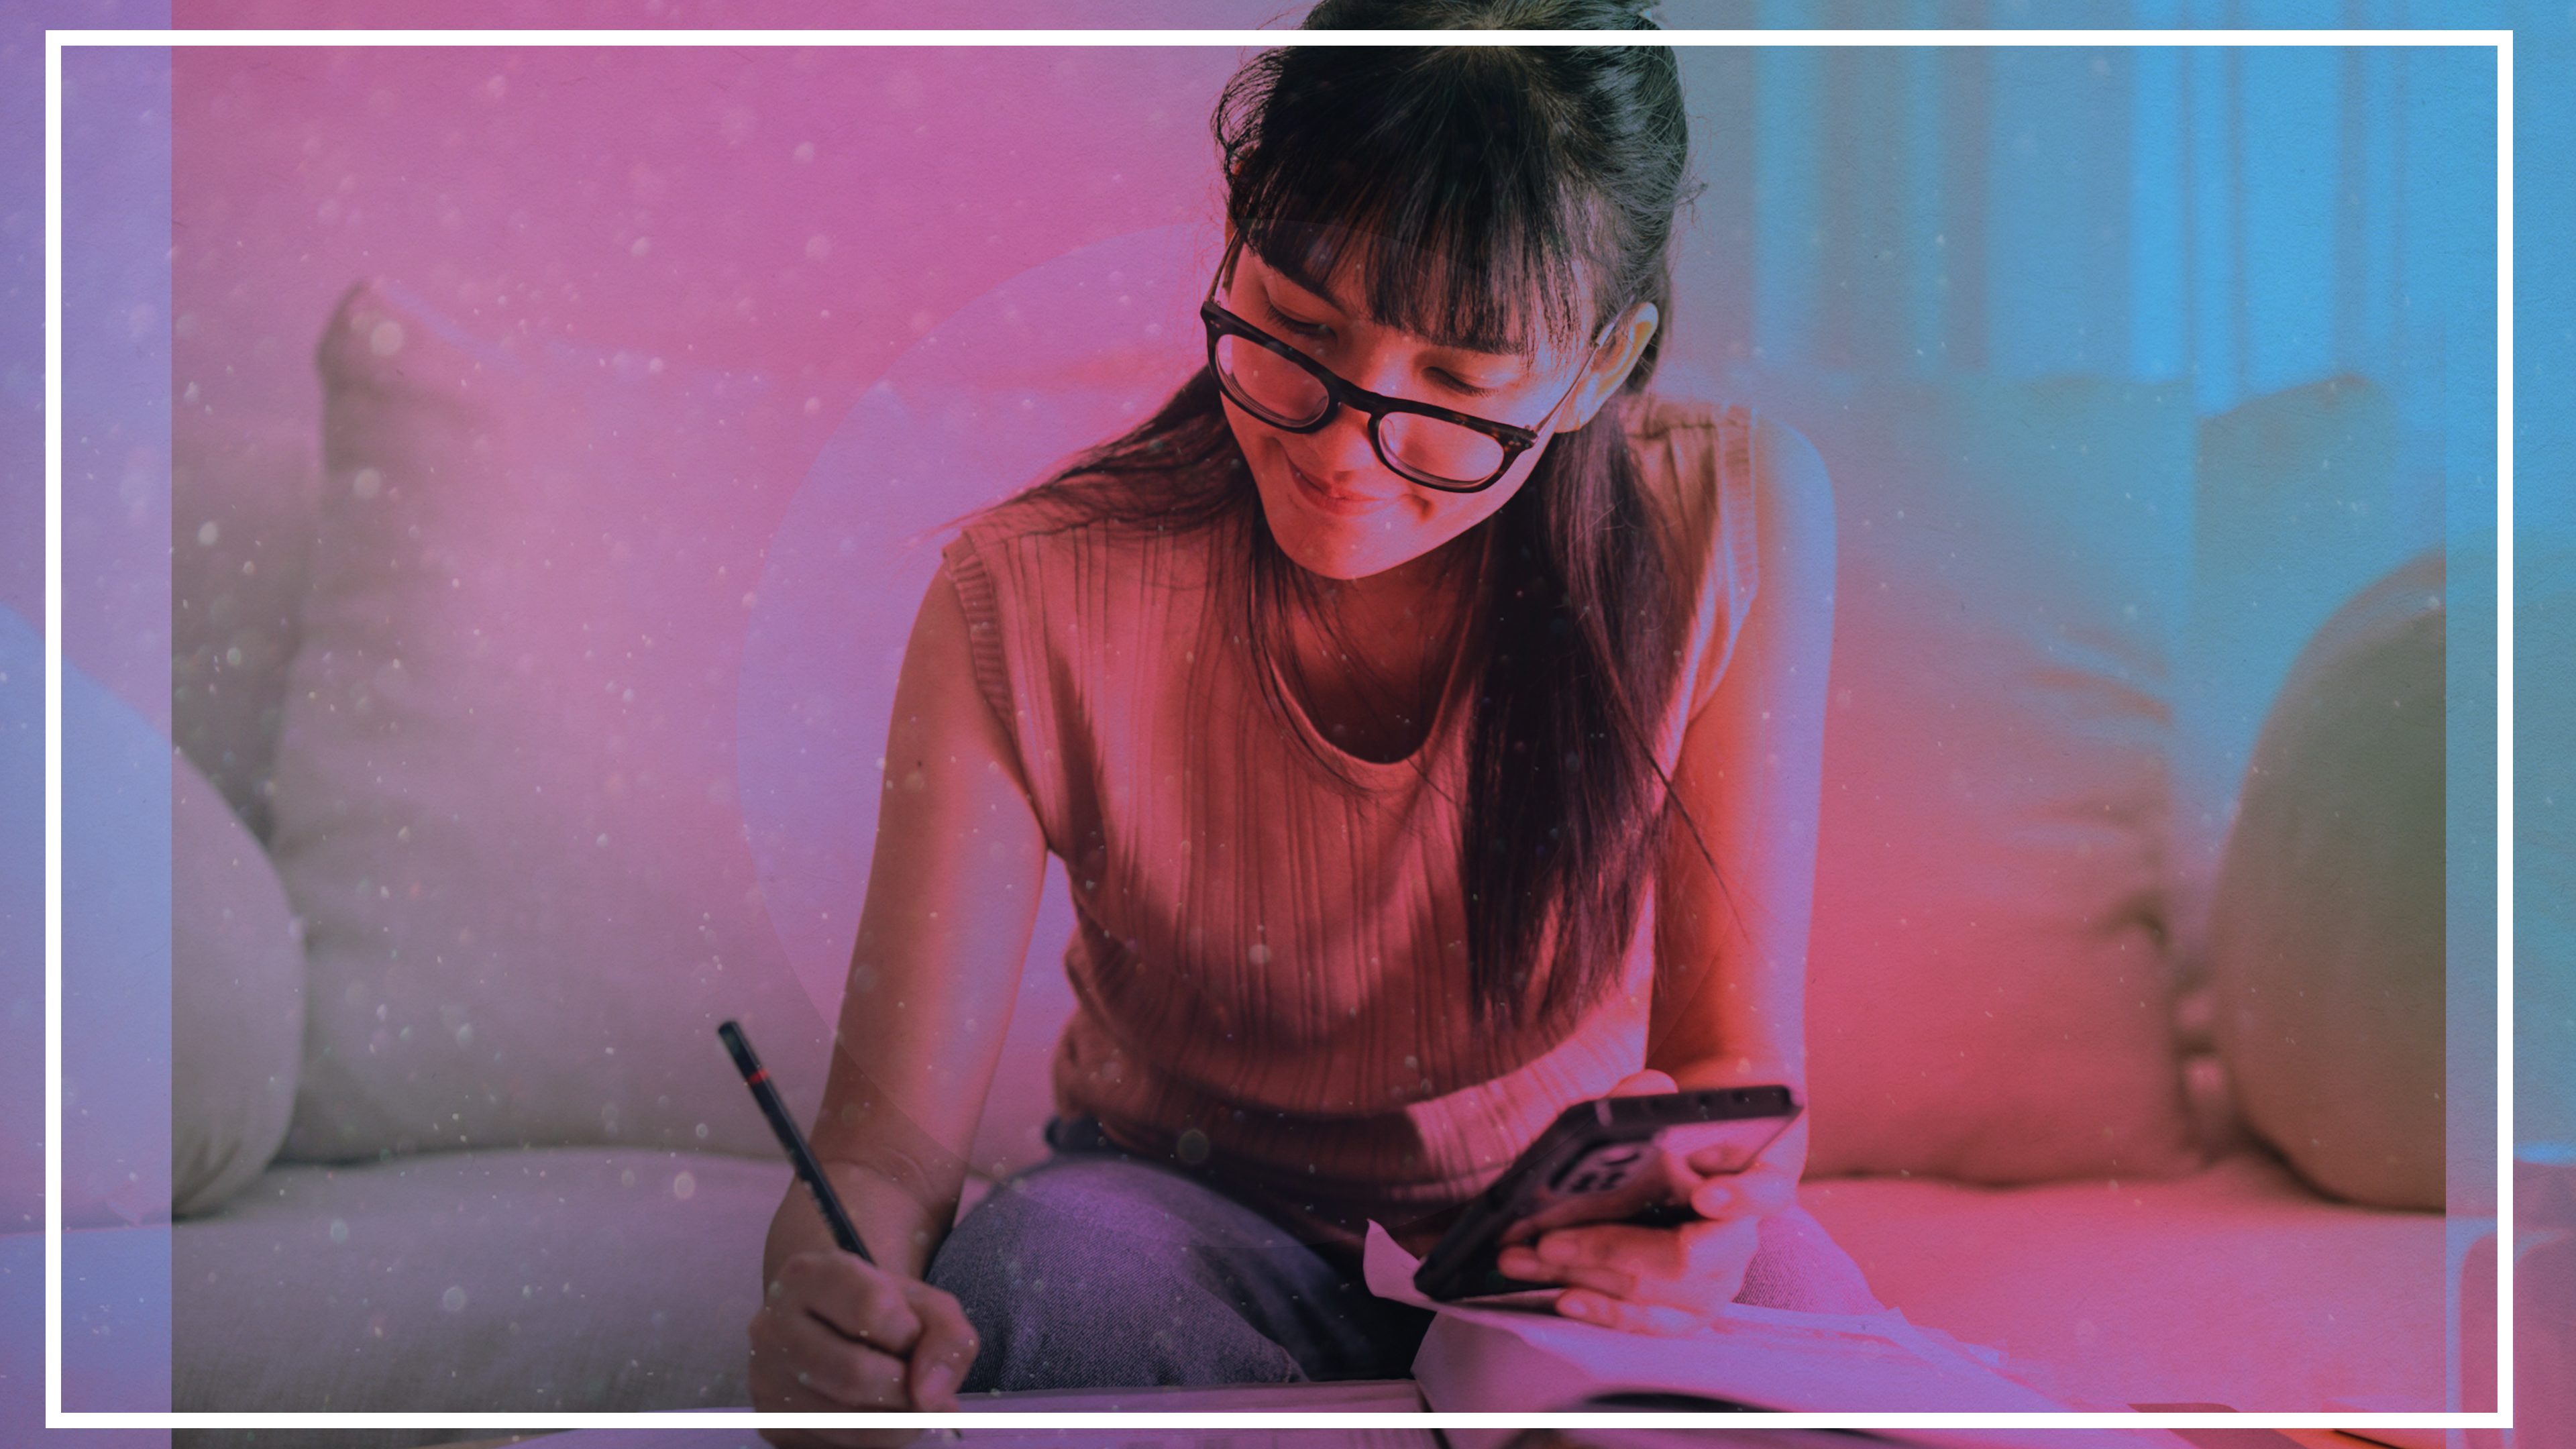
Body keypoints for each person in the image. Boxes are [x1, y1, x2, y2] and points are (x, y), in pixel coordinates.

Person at [747, 1, 1878, 1434]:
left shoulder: (1735, 516)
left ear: (1601, 363)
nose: (1346, 455)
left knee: (1800, 1312)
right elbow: (881, 1163)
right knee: (1039, 1291)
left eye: (1459, 389)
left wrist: (1709, 1214)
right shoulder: (1026, 593)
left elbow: (1730, 1069)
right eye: (1291, 330)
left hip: (1553, 1235)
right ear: (1235, 235)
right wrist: (828, 1308)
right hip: (1177, 1212)